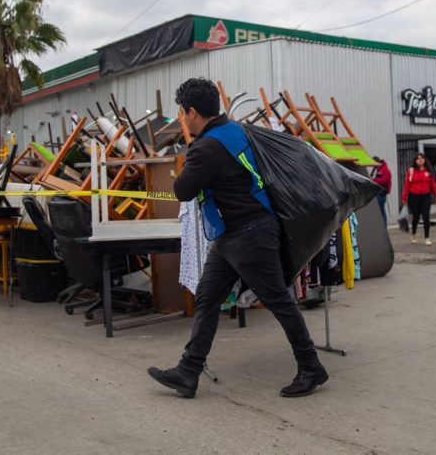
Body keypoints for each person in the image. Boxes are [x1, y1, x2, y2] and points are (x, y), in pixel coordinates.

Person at [147, 78, 328, 399]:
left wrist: (189, 158)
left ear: (192, 112)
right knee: (207, 297)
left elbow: (183, 190)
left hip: (248, 233)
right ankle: (189, 371)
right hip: (235, 234)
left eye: (182, 113)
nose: (182, 119)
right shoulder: (235, 130)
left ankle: (311, 365)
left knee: (278, 300)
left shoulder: (206, 147)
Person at [401, 152, 436, 246]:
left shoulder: (428, 171)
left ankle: (427, 238)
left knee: (426, 216)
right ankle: (413, 235)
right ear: (415, 161)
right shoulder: (411, 170)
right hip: (414, 197)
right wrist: (404, 197)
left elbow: (432, 185)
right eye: (418, 158)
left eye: (422, 158)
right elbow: (407, 185)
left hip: (426, 197)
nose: (420, 160)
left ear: (424, 160)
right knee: (416, 217)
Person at [371, 156, 392, 224]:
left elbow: (385, 180)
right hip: (378, 192)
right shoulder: (379, 169)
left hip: (381, 193)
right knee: (380, 210)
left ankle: (383, 225)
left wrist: (373, 180)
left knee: (380, 211)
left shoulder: (384, 169)